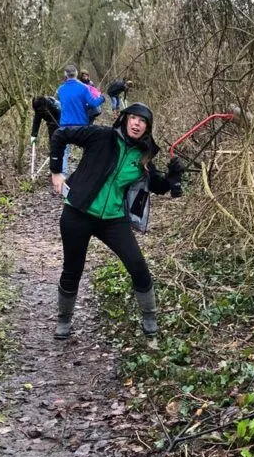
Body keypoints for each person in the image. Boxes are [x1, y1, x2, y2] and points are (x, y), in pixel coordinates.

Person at [48, 103, 186, 339]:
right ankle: (64, 321)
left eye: (142, 121)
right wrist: (56, 171)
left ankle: (150, 318)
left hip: (112, 219)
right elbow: (61, 134)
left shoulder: (143, 156)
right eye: (133, 118)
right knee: (72, 269)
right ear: (125, 119)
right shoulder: (101, 136)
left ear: (147, 128)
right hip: (78, 212)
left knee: (138, 266)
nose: (137, 124)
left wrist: (172, 178)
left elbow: (156, 185)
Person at [56, 64, 106, 175]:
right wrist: (102, 98)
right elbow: (93, 103)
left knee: (64, 152)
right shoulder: (84, 88)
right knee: (87, 149)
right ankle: (85, 173)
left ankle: (63, 175)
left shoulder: (60, 90)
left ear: (65, 74)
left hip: (65, 125)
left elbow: (59, 105)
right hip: (81, 126)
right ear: (76, 74)